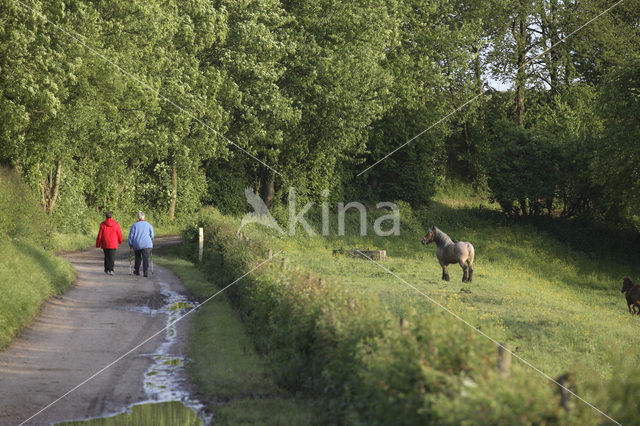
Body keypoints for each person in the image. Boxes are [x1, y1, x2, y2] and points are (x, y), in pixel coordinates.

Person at [128, 211, 154, 277]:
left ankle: (137, 270)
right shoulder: (148, 224)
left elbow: (131, 236)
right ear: (144, 217)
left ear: (138, 217)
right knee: (146, 257)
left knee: (138, 257)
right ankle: (145, 271)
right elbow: (152, 235)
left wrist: (130, 244)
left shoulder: (134, 225)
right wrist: (150, 240)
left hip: (137, 244)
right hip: (147, 244)